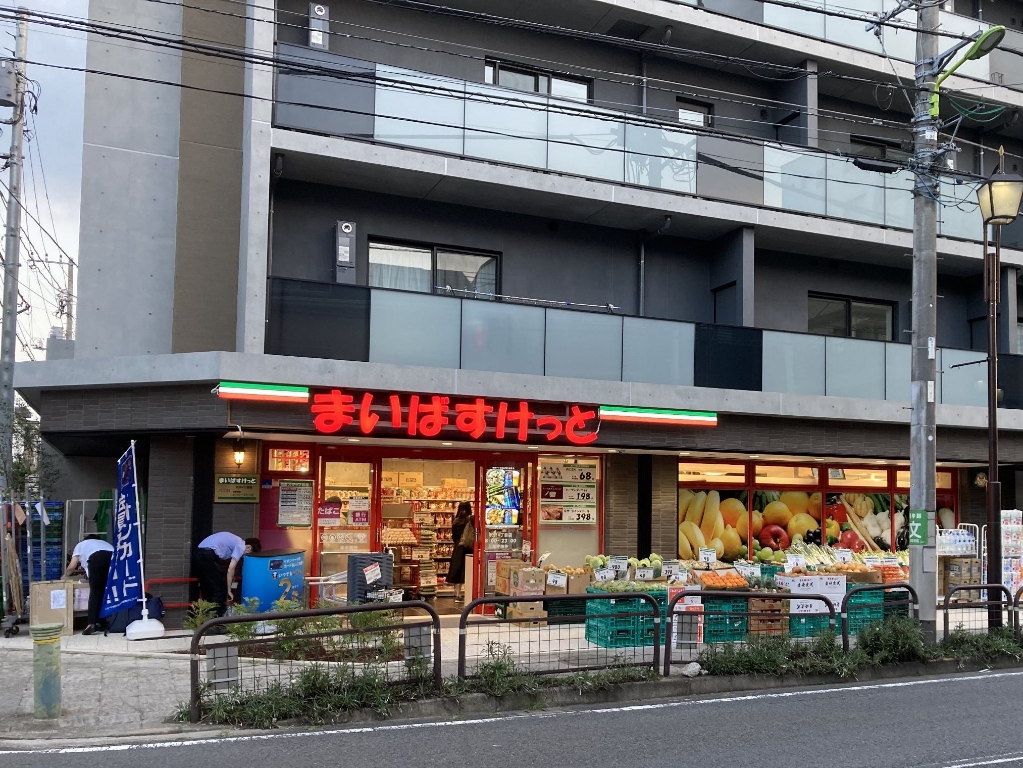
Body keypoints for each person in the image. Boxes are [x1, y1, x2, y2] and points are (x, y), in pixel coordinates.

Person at [194, 532, 261, 616]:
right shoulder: (240, 545)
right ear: (248, 547)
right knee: (220, 590)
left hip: (199, 553)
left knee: (207, 589)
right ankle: (214, 620)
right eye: (248, 553)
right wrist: (229, 590)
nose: (244, 556)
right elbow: (231, 568)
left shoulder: (235, 540)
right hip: (208, 556)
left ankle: (205, 619)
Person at [63, 534, 114, 635]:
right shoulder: (106, 544)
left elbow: (72, 566)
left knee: (95, 592)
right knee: (107, 591)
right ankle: (104, 622)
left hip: (96, 559)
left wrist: (64, 577)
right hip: (113, 558)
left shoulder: (81, 544)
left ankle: (92, 624)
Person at [446, 502, 474, 602]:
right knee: (466, 571)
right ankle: (468, 593)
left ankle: (457, 593)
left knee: (457, 570)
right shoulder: (471, 519)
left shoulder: (456, 521)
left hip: (458, 547)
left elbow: (453, 535)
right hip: (468, 548)